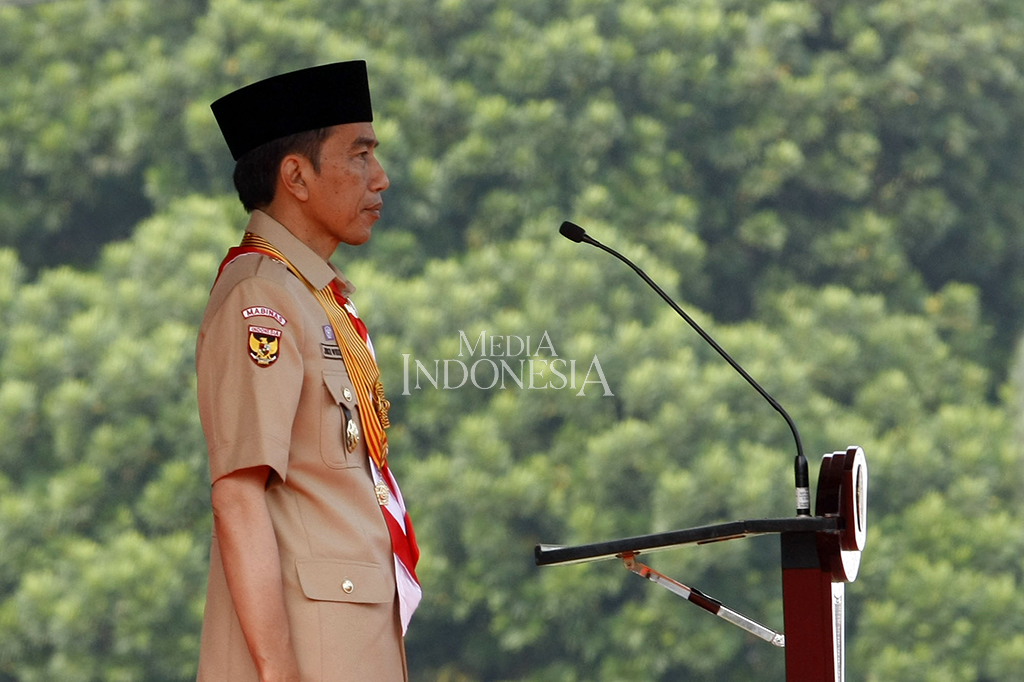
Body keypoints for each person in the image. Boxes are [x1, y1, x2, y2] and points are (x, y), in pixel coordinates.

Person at [195, 61, 420, 682]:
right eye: (360, 155)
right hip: (308, 654)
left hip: (349, 641)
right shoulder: (260, 298)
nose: (380, 178)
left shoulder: (311, 296)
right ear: (296, 175)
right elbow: (238, 494)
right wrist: (279, 671)